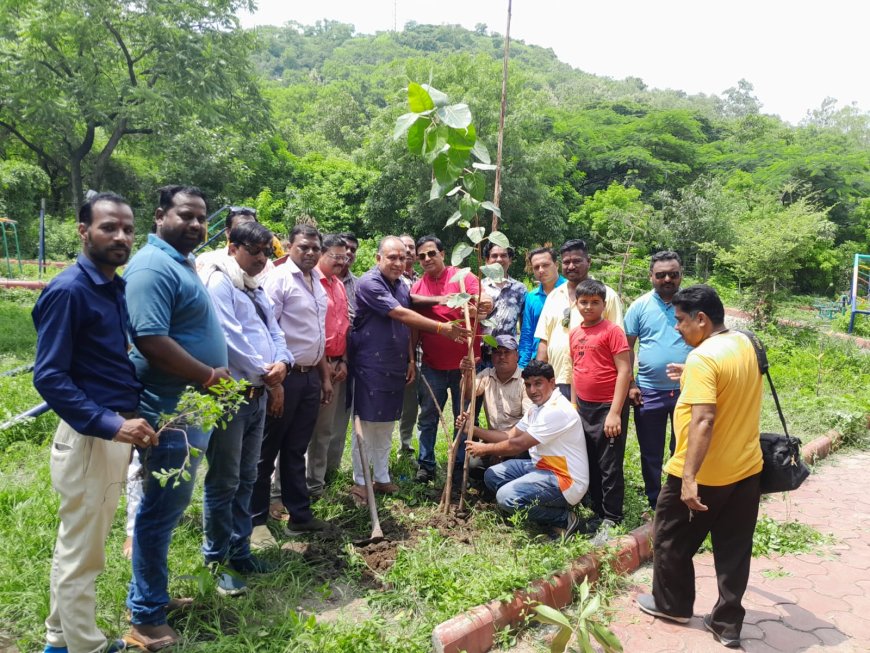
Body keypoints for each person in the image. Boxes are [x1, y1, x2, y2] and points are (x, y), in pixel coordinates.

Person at [33, 193, 155, 653]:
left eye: (127, 228)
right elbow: (49, 376)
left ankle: (60, 640)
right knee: (83, 552)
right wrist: (110, 424)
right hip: (90, 437)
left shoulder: (112, 288)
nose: (120, 236)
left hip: (111, 431)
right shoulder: (70, 290)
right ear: (83, 230)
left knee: (80, 544)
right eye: (109, 227)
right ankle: (84, 646)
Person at [123, 186, 231, 651]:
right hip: (167, 412)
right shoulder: (151, 266)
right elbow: (149, 339)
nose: (195, 224)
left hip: (187, 410)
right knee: (157, 512)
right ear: (160, 215)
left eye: (201, 218)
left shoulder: (180, 263)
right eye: (186, 215)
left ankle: (155, 598)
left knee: (166, 513)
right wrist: (208, 375)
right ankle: (145, 617)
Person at [636, 285, 763, 650]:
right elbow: (730, 388)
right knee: (734, 550)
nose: (677, 328)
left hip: (703, 473)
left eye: (680, 320)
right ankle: (727, 624)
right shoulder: (744, 343)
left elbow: (704, 420)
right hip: (747, 469)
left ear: (701, 319)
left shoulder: (703, 359)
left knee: (670, 539)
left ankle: (672, 605)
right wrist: (690, 372)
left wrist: (689, 478)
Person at [199, 221, 292, 596]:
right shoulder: (220, 280)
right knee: (224, 481)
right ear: (232, 245)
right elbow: (229, 337)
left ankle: (241, 550)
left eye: (266, 253)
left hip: (258, 395)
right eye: (254, 252)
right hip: (232, 397)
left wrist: (282, 362)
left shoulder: (255, 285)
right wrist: (265, 373)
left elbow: (275, 329)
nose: (261, 259)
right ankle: (215, 560)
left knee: (249, 477)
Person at [347, 237, 469, 503]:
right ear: (378, 258)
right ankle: (359, 482)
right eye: (392, 257)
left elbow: (412, 299)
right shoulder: (370, 283)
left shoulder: (400, 284)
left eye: (403, 258)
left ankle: (381, 478)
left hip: (394, 366)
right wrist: (441, 328)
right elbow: (401, 313)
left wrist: (444, 300)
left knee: (385, 424)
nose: (398, 263)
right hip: (370, 366)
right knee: (365, 426)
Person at [252, 224, 333, 542]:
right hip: (286, 378)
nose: (310, 253)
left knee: (296, 449)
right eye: (304, 247)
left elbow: (318, 336)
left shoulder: (318, 284)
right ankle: (256, 521)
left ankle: (298, 515)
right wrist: (276, 384)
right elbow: (268, 332)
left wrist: (324, 377)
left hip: (311, 377)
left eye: (315, 248)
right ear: (288, 246)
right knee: (266, 450)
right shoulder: (279, 280)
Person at [462, 360, 589, 537]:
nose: (532, 391)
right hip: (543, 468)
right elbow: (509, 435)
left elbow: (517, 445)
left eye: (538, 384)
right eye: (528, 385)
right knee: (492, 475)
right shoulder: (537, 408)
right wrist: (472, 429)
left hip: (564, 479)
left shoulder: (556, 410)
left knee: (506, 497)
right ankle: (532, 506)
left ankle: (564, 518)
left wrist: (485, 449)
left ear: (552, 382)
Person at [410, 235, 490, 483]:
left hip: (465, 364)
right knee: (428, 417)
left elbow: (485, 299)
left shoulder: (462, 277)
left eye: (431, 253)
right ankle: (426, 465)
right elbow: (414, 328)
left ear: (443, 254)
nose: (427, 259)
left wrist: (482, 306)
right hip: (432, 365)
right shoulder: (417, 288)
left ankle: (459, 466)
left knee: (464, 416)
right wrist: (411, 357)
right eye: (421, 256)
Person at [624, 251, 693, 509]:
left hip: (688, 391)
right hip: (649, 392)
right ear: (651, 276)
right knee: (650, 451)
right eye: (661, 274)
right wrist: (631, 383)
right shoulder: (639, 306)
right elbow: (626, 348)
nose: (667, 279)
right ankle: (655, 499)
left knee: (684, 447)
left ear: (680, 276)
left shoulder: (691, 304)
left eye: (673, 274)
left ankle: (678, 495)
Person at [569, 279, 631, 532]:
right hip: (584, 407)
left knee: (609, 463)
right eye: (584, 302)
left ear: (604, 305)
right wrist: (573, 405)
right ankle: (597, 510)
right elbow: (575, 369)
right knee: (591, 460)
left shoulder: (612, 331)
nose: (588, 307)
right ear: (576, 304)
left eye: (595, 302)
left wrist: (615, 412)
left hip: (608, 407)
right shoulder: (575, 333)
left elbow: (625, 370)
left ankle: (612, 517)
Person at [535, 239, 623, 397]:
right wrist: (539, 377)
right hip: (556, 380)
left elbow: (619, 345)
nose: (571, 266)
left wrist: (626, 382)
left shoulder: (607, 296)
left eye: (577, 261)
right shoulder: (554, 296)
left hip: (593, 383)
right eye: (566, 262)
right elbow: (544, 341)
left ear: (588, 262)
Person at [305, 234, 352, 499]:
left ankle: (315, 485)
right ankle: (282, 489)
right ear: (322, 254)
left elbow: (342, 327)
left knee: (324, 431)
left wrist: (343, 361)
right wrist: (325, 369)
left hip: (335, 367)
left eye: (344, 257)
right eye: (336, 257)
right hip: (313, 367)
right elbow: (313, 333)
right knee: (300, 430)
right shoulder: (310, 283)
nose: (342, 262)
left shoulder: (339, 285)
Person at [518, 247, 565, 369]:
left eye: (545, 265)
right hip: (538, 363)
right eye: (536, 267)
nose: (541, 270)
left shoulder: (570, 290)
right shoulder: (532, 297)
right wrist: (522, 366)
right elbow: (527, 334)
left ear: (556, 265)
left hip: (565, 362)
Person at [195, 206, 272, 281]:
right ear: (228, 232)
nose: (249, 232)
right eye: (241, 228)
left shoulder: (266, 266)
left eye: (253, 227)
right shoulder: (207, 261)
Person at [480, 242, 526, 365]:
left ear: (510, 260)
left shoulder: (520, 289)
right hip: (481, 355)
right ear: (487, 260)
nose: (499, 259)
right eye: (494, 256)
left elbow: (524, 325)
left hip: (508, 354)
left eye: (504, 255)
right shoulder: (478, 287)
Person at [398, 233, 420, 456]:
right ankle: (403, 447)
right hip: (403, 354)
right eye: (404, 247)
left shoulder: (420, 280)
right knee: (404, 403)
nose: (408, 251)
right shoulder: (392, 281)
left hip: (424, 353)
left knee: (413, 405)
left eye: (411, 247)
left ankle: (409, 446)